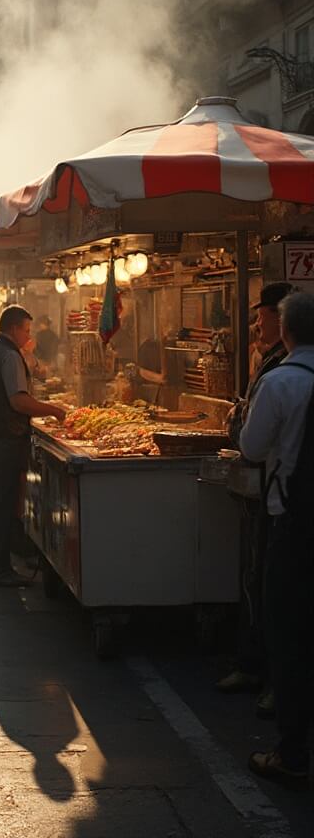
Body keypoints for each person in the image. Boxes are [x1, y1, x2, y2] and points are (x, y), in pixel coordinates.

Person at [239, 290, 314, 787]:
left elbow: (251, 447)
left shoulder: (282, 380)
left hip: (293, 522)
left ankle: (291, 752)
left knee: (290, 634)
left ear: (284, 330)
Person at [219, 282, 294, 708]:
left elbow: (252, 441)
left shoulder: (282, 372)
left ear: (281, 319)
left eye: (260, 316)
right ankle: (256, 668)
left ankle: (270, 679)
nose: (256, 323)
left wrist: (238, 419)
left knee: (269, 586)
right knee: (262, 582)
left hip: (279, 494)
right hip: (276, 492)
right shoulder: (271, 364)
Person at [0, 305, 66, 587]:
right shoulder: (9, 356)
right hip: (4, 440)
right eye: (26, 329)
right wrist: (53, 409)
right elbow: (18, 402)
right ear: (14, 328)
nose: (29, 334)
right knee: (2, 505)